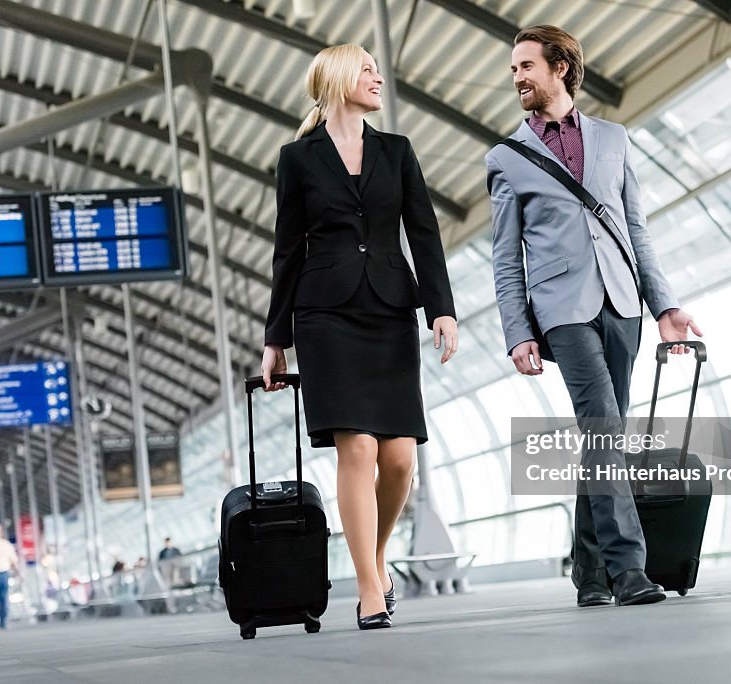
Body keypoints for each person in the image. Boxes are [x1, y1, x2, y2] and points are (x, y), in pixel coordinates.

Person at [486, 25, 702, 608]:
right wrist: (517, 332)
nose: (517, 78)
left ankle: (588, 575)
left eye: (526, 66)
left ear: (560, 67)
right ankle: (629, 568)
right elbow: (506, 258)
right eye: (513, 69)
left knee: (603, 435)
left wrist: (664, 306)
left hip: (623, 301)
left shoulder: (614, 139)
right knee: (604, 423)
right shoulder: (506, 158)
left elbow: (637, 230)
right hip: (560, 310)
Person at [261, 43, 458, 630]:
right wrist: (276, 338)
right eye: (367, 69)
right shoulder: (297, 160)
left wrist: (440, 310)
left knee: (400, 460)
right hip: (324, 316)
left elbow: (423, 233)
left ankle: (374, 556)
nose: (377, 78)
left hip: (390, 310)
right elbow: (287, 250)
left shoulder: (397, 153)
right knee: (360, 447)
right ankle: (370, 590)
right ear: (339, 78)